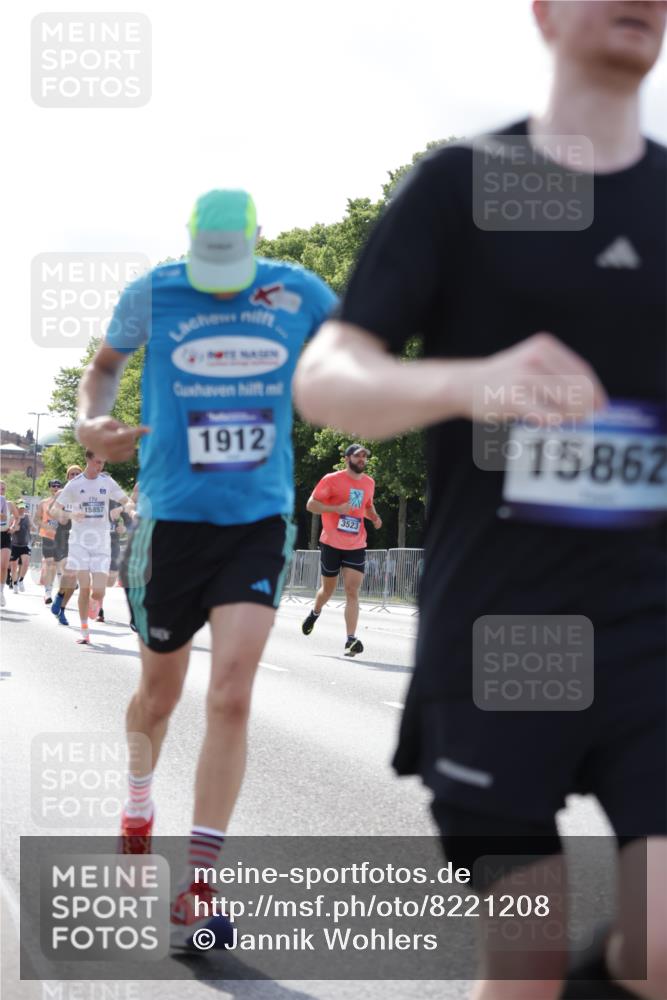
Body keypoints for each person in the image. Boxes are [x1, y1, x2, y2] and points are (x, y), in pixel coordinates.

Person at [293, 4, 667, 999]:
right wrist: (469, 381)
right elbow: (327, 378)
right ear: (545, 10)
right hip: (505, 630)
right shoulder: (472, 183)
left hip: (651, 625)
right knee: (525, 949)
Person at [73, 188, 337, 949]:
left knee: (230, 697)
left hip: (255, 520)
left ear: (255, 245)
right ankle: (135, 801)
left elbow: (358, 350)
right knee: (158, 696)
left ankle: (199, 886)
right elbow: (102, 369)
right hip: (170, 523)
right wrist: (94, 419)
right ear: (190, 246)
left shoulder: (299, 292)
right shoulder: (154, 291)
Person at [301, 444, 382, 655]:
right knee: (327, 590)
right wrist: (335, 509)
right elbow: (311, 505)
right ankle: (315, 612)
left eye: (365, 456)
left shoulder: (368, 483)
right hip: (331, 543)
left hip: (355, 544)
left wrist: (373, 516)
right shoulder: (332, 480)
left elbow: (363, 506)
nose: (362, 459)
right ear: (347, 459)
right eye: (358, 456)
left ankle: (350, 639)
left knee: (352, 591)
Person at [51, 451, 130, 644]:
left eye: (102, 463)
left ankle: (95, 604)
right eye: (97, 462)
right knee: (84, 587)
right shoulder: (75, 484)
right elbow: (54, 510)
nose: (100, 466)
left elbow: (127, 501)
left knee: (99, 592)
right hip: (79, 542)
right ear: (87, 459)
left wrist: (120, 508)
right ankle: (85, 631)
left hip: (101, 542)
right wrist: (71, 515)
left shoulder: (107, 482)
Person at [50, 464, 83, 626]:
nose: (75, 476)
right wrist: (65, 515)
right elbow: (52, 512)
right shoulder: (61, 494)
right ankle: (59, 598)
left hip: (80, 537)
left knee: (73, 579)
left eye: (78, 473)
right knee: (69, 572)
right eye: (72, 474)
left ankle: (61, 607)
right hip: (63, 536)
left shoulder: (86, 494)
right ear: (67, 477)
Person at [35, 480, 63, 604]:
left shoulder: (65, 503)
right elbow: (36, 519)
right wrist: (45, 526)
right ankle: (47, 593)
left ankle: (62, 592)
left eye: (58, 486)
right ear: (50, 488)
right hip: (47, 537)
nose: (56, 488)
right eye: (53, 486)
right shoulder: (43, 503)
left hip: (62, 538)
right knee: (50, 563)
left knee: (60, 565)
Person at [0, 481, 18, 607]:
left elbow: (17, 517)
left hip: (5, 535)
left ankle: (0, 592)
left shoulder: (9, 503)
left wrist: (13, 527)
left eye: (3, 489)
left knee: (3, 566)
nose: (1, 490)